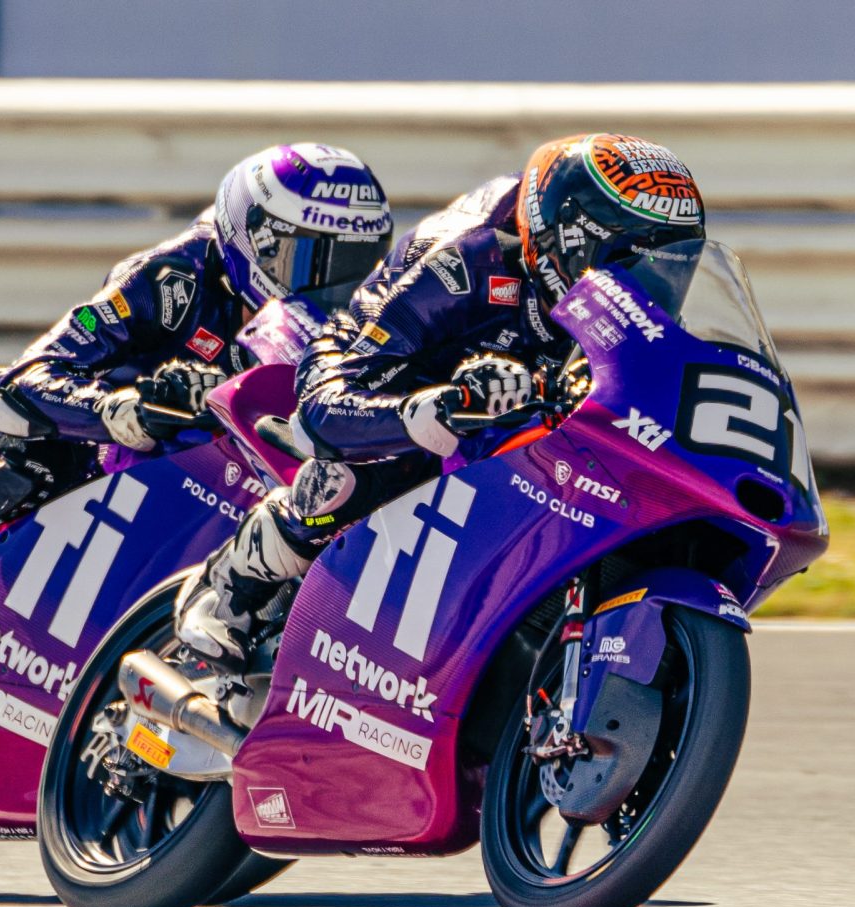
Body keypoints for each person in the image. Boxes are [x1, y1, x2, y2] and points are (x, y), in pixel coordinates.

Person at [0, 143, 394, 675]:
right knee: (35, 463)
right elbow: (14, 388)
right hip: (109, 456)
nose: (334, 287)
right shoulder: (170, 279)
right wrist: (125, 409)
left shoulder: (356, 324)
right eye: (314, 262)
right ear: (257, 239)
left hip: (229, 477)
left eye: (356, 265)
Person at [174, 132, 706, 673]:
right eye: (630, 264)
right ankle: (229, 586)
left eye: (674, 268)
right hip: (378, 364)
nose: (652, 286)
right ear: (567, 239)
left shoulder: (632, 310)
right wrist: (437, 404)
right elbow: (328, 404)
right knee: (360, 469)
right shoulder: (465, 258)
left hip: (520, 389)